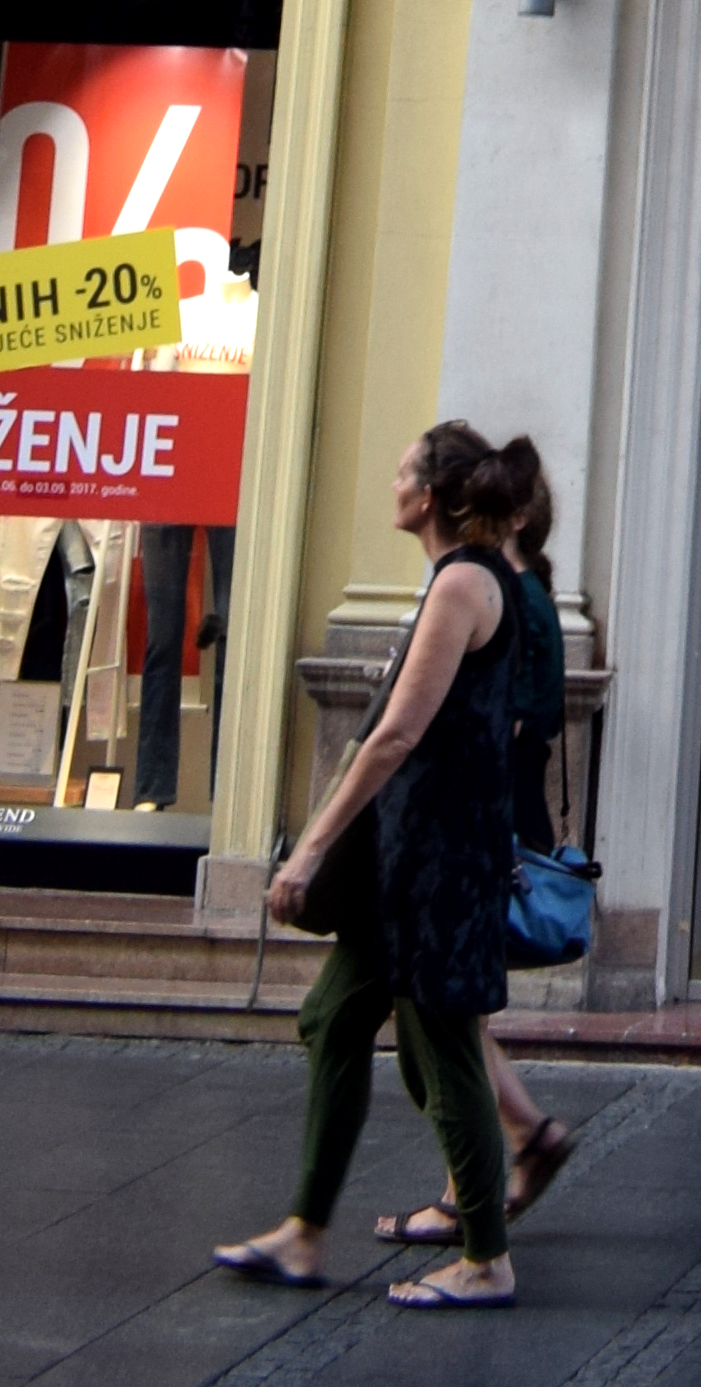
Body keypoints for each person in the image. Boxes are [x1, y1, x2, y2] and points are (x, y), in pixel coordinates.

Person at [211, 420, 519, 1309]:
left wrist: (309, 848)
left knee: (445, 1041)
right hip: (412, 856)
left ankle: (487, 1258)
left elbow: (393, 736)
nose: (390, 486)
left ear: (430, 496)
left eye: (400, 473)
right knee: (334, 1018)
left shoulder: (464, 581)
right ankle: (304, 1234)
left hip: (436, 859)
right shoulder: (464, 575)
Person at [377, 443, 577, 1244]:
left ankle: (502, 1161)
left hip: (486, 817)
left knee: (454, 1019)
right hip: (501, 806)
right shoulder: (519, 589)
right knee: (457, 1018)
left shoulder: (503, 591)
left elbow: (521, 709)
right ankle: (493, 1163)